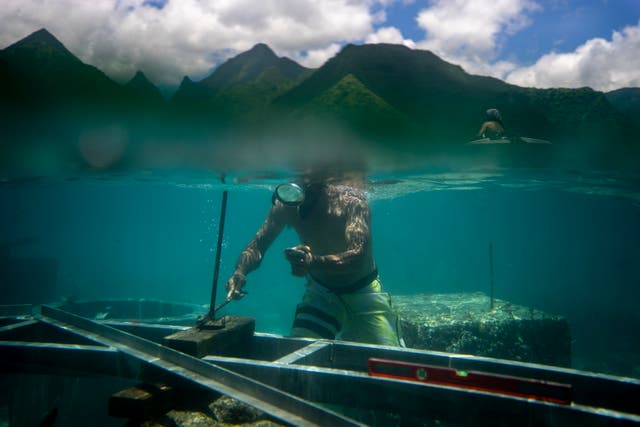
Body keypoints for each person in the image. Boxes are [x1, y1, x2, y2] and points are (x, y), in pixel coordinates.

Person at [224, 168, 401, 346]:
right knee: (299, 352)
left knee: (387, 360)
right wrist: (240, 271)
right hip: (320, 292)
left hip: (363, 292)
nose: (303, 195)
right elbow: (258, 245)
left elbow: (357, 256)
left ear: (325, 186)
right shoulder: (286, 203)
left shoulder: (352, 202)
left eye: (312, 188)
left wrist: (313, 262)